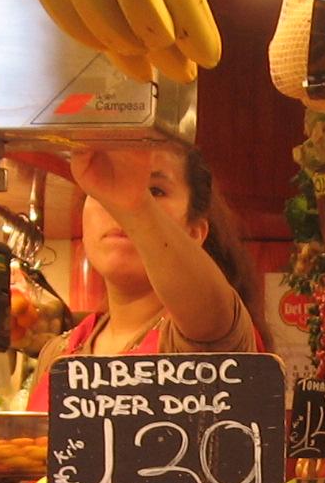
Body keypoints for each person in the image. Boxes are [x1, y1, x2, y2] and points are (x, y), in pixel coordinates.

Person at [28, 141, 261, 411]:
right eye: (101, 190)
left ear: (194, 233)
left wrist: (137, 204)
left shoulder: (209, 334)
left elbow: (210, 312)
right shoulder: (57, 353)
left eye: (156, 191)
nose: (117, 206)